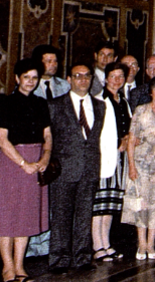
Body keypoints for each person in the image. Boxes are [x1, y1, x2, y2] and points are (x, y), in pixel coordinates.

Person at [0, 59, 52, 282]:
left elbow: (48, 136)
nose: (30, 82)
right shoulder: (5, 103)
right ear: (17, 78)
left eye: (34, 78)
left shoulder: (41, 104)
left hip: (36, 160)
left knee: (25, 216)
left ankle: (20, 265)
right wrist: (24, 164)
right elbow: (2, 140)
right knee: (7, 216)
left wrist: (44, 157)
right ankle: (7, 267)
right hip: (12, 161)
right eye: (26, 77)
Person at [46, 63, 105, 273]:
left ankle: (82, 257)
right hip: (63, 169)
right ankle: (59, 259)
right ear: (69, 79)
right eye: (77, 76)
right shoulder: (55, 105)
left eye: (86, 76)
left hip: (89, 169)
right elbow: (49, 138)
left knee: (84, 214)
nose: (82, 80)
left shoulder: (100, 106)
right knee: (61, 215)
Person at [122, 74, 155, 260]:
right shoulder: (141, 111)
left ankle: (151, 243)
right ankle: (141, 243)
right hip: (141, 164)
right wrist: (131, 165)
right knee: (141, 203)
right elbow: (131, 140)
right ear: (151, 92)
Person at [91, 63, 130, 262]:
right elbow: (96, 133)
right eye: (113, 76)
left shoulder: (123, 100)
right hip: (104, 157)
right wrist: (116, 144)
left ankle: (106, 242)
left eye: (121, 76)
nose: (117, 80)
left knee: (111, 204)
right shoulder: (99, 100)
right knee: (99, 204)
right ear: (105, 79)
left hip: (120, 159)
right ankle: (97, 245)